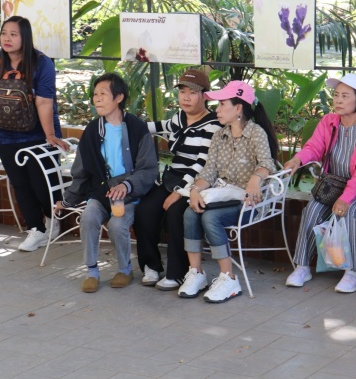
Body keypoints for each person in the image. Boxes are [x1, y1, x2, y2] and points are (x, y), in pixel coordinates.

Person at [56, 73, 157, 293]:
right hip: (101, 192)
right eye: (95, 94)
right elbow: (81, 171)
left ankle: (125, 269)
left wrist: (127, 186)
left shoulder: (137, 128)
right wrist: (68, 200)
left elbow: (148, 169)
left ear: (119, 97)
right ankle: (91, 271)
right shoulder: (92, 130)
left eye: (103, 93)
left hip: (129, 194)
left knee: (117, 225)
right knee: (88, 217)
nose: (97, 99)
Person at [0, 16, 69, 252]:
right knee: (20, 184)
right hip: (5, 134)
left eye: (13, 34)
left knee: (43, 183)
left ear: (25, 37)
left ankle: (53, 219)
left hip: (38, 134)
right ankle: (35, 229)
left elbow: (44, 102)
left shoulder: (41, 63)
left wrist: (50, 136)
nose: (7, 38)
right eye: (4, 33)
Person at [181, 80, 278, 302]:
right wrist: (195, 189)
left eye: (222, 104)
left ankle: (229, 277)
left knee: (211, 218)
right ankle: (196, 273)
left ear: (238, 108)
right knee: (190, 212)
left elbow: (267, 163)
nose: (217, 109)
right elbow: (209, 171)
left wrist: (255, 179)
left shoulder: (256, 133)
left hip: (249, 203)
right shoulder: (219, 136)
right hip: (223, 196)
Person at [283, 74, 356, 293]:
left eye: (345, 96)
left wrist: (346, 198)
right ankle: (302, 267)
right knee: (312, 210)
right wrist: (298, 159)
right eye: (336, 95)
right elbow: (314, 147)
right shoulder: (329, 121)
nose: (338, 100)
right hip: (332, 185)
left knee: (347, 212)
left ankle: (352, 272)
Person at [134, 70, 221, 289]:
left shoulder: (213, 125)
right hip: (172, 178)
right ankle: (151, 266)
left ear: (205, 96)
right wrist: (129, 125)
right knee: (144, 210)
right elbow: (159, 126)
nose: (186, 98)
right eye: (182, 92)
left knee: (176, 213)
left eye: (192, 93)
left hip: (196, 184)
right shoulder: (179, 118)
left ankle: (178, 273)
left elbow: (202, 163)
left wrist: (179, 192)